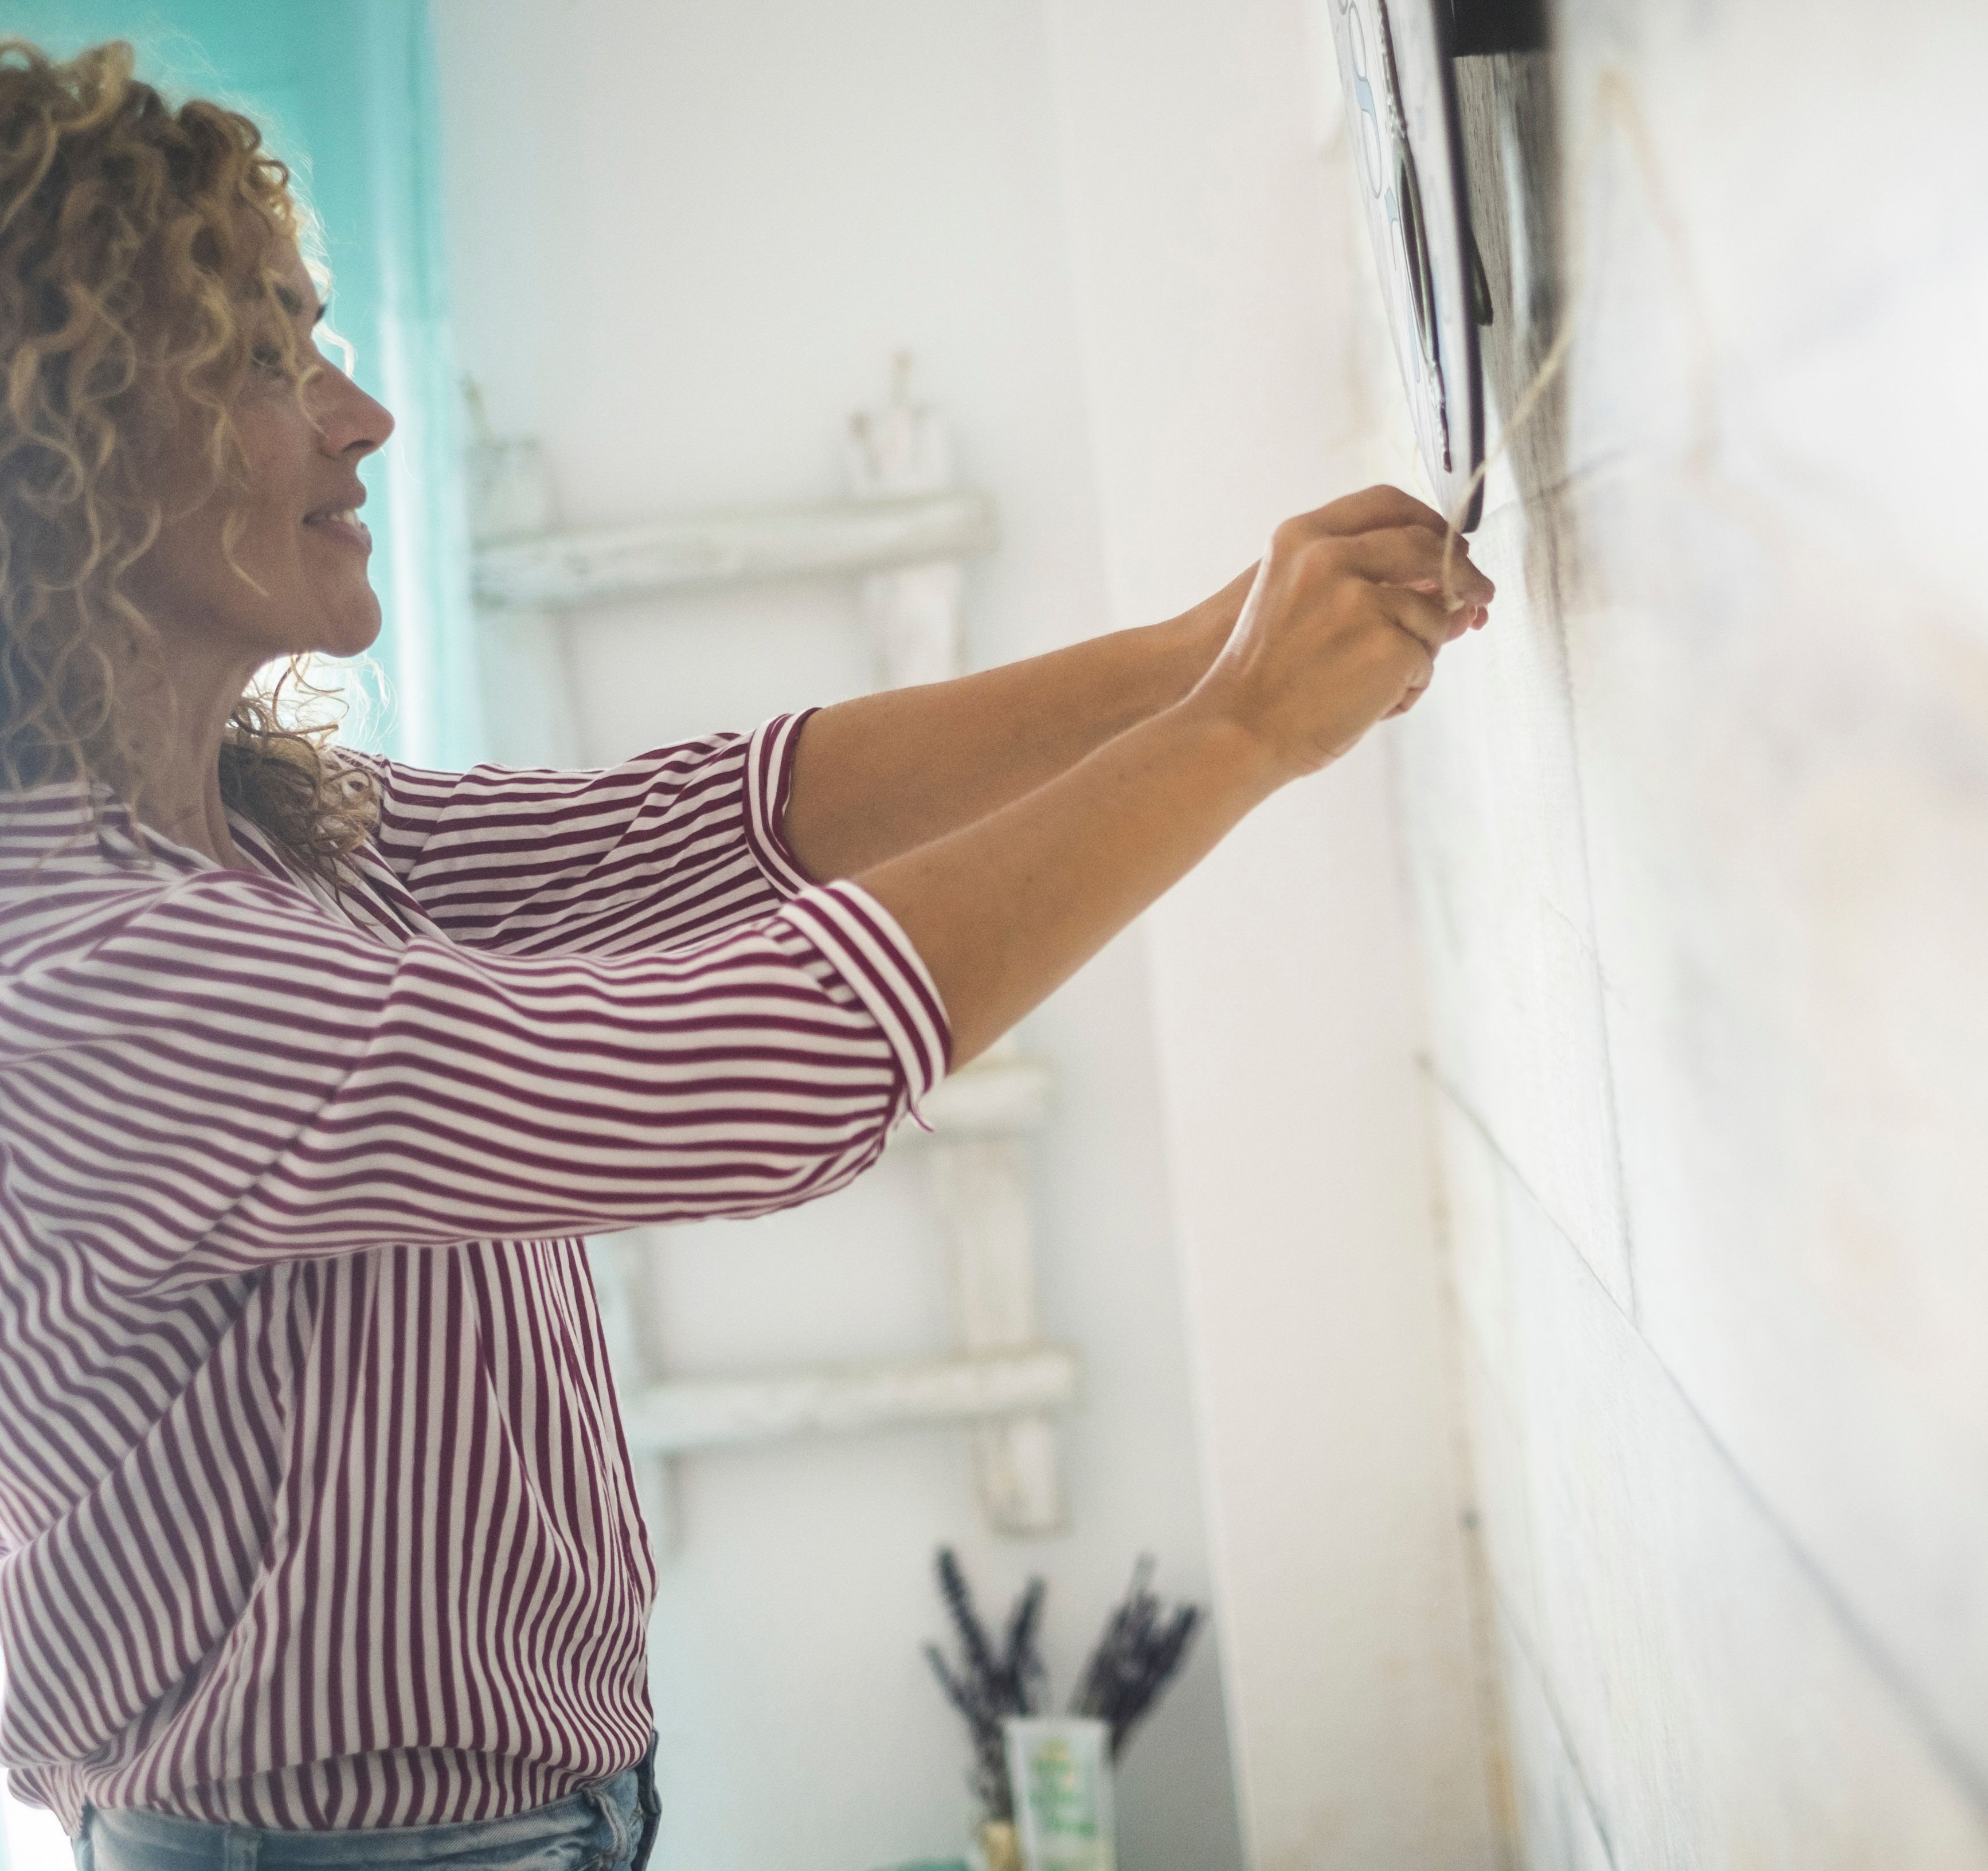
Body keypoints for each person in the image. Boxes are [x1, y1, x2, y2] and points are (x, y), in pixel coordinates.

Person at [0, 39, 1489, 1871]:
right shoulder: (79, 970)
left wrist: (1198, 654)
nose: (356, 411)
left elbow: (699, 826)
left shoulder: (242, 829)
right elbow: (743, 1073)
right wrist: (1245, 729)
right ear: (61, 453)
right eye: (258, 357)